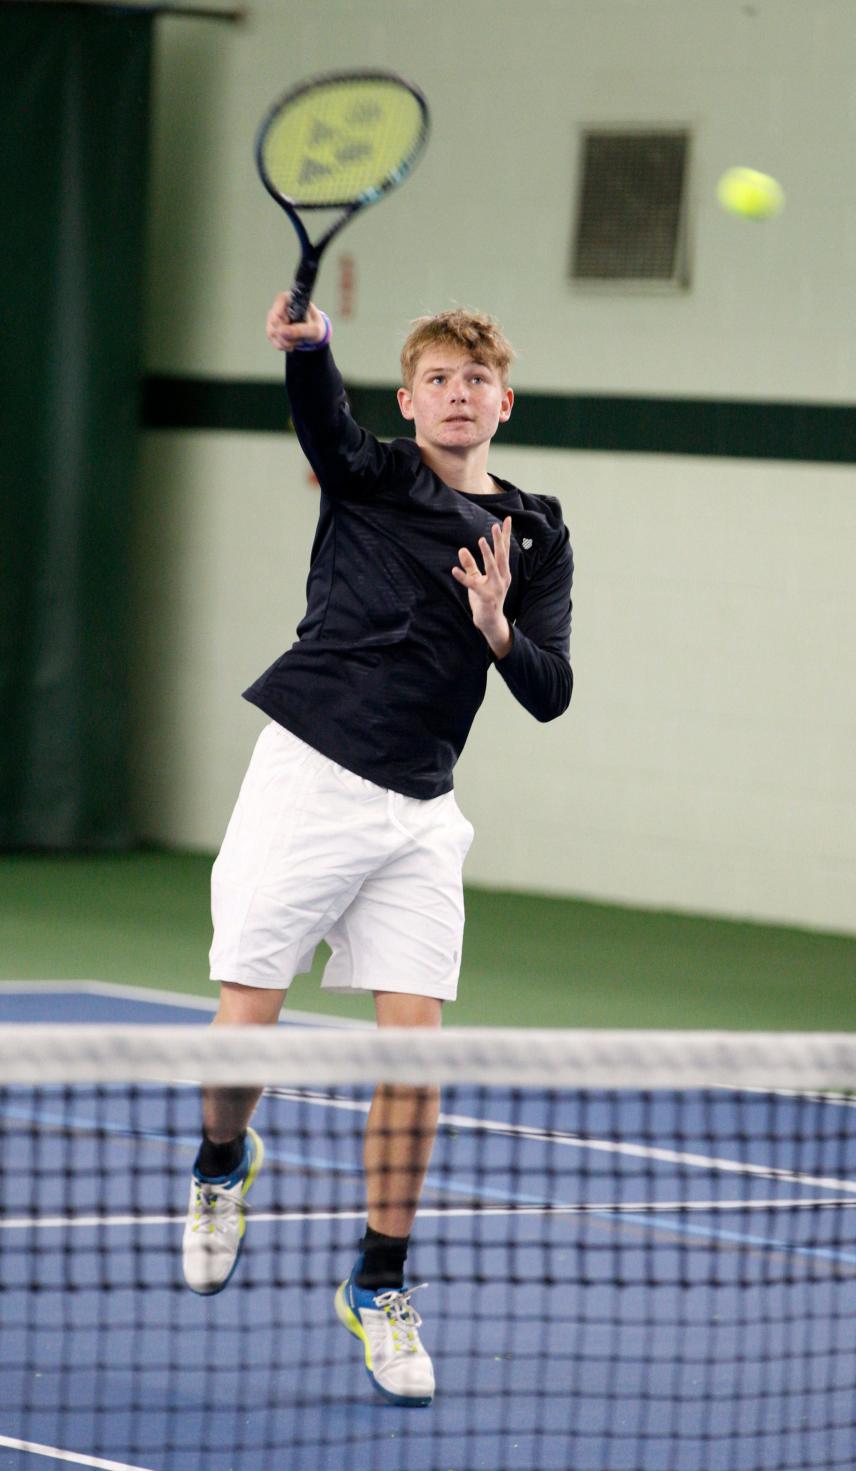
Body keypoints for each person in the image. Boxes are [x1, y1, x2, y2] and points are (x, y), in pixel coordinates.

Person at [181, 293, 574, 1407]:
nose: (459, 394)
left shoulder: (536, 530)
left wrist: (501, 630)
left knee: (416, 1053)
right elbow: (323, 428)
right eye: (437, 380)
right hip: (309, 771)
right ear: (409, 404)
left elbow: (550, 691)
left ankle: (379, 1281)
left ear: (505, 402)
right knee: (240, 1030)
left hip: (420, 812)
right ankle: (222, 1164)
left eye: (476, 379)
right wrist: (310, 352)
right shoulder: (375, 476)